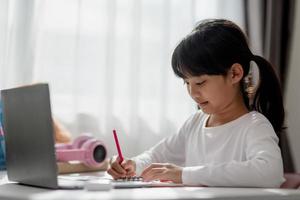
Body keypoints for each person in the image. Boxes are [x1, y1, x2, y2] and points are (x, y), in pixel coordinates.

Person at [107, 19, 285, 187]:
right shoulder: (194, 123)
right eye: (187, 82)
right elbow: (156, 155)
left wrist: (184, 174)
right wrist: (133, 165)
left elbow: (270, 173)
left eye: (200, 82)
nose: (192, 92)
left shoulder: (254, 126)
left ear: (234, 74)